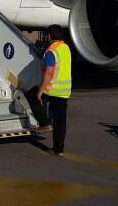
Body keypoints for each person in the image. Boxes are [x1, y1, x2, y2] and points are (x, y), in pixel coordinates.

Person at [30, 24, 72, 157]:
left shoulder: (51, 51)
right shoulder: (65, 48)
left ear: (49, 35)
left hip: (52, 89)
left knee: (32, 95)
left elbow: (48, 72)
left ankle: (45, 123)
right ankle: (58, 149)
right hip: (64, 90)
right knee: (60, 121)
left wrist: (40, 91)